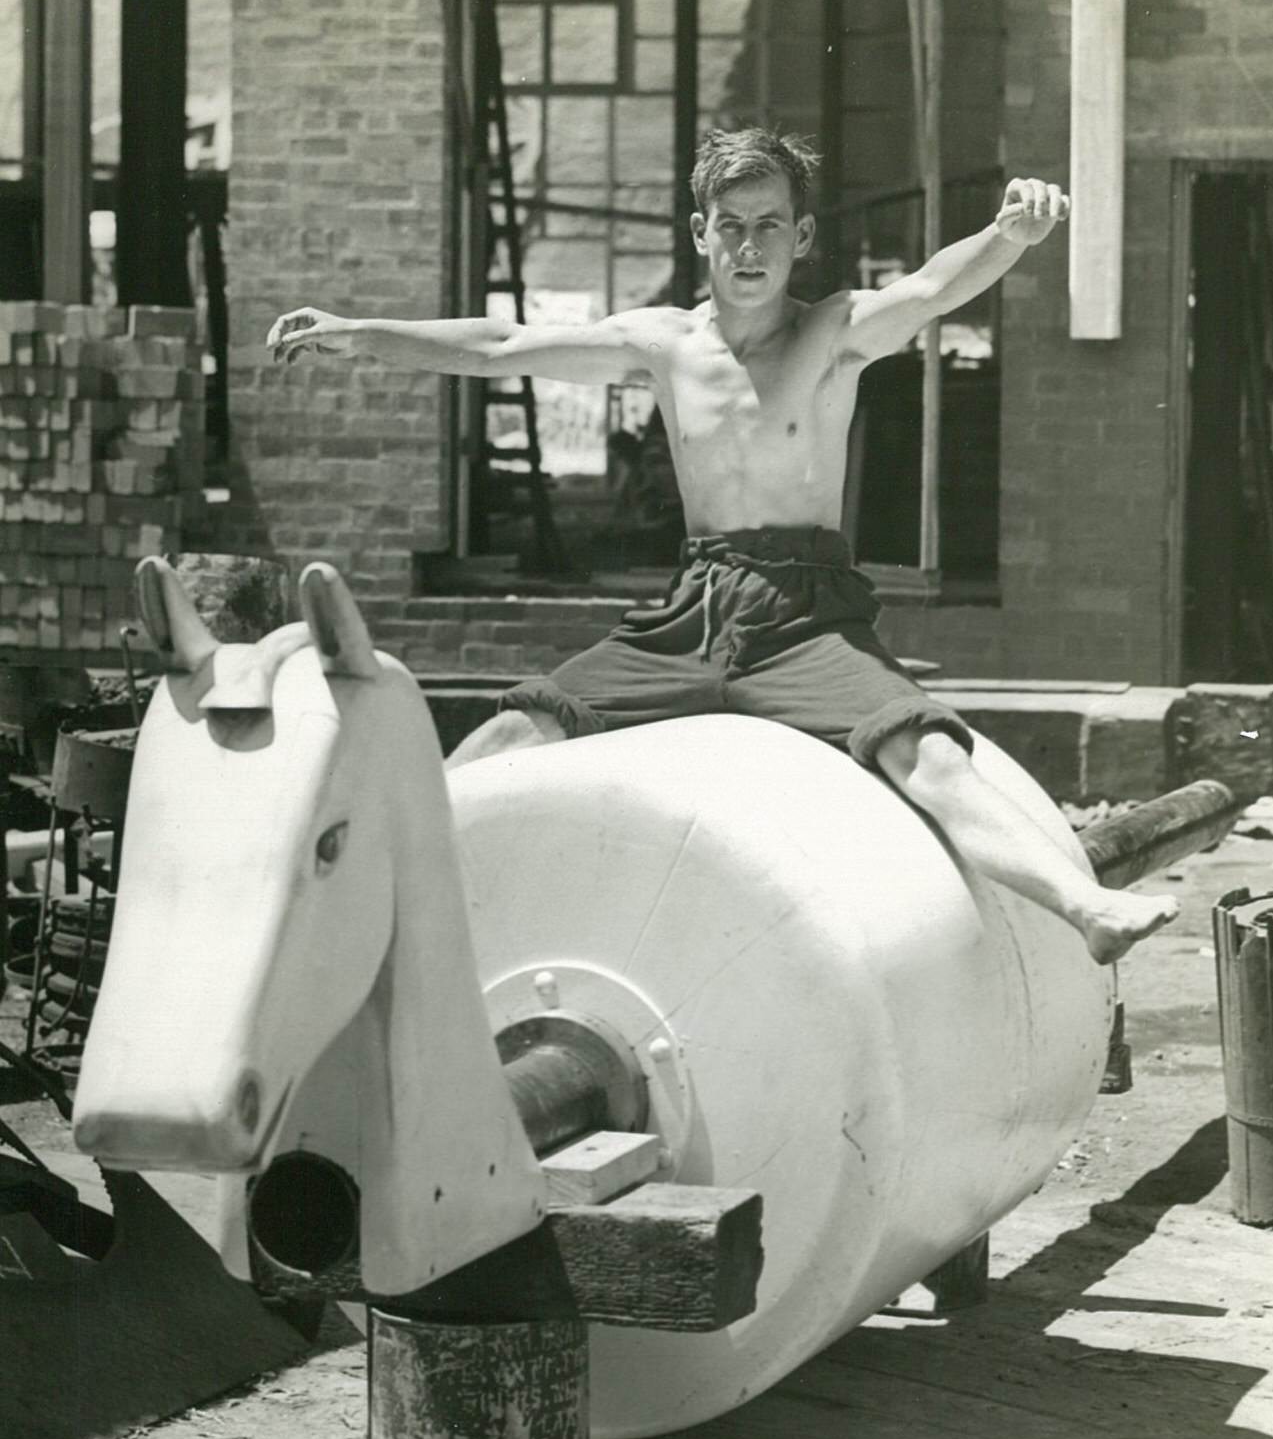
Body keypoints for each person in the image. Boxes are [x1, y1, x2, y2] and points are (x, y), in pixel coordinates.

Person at [267, 127, 1177, 964]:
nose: (750, 249)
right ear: (700, 233)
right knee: (515, 726)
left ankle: (1082, 904)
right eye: (731, 227)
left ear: (803, 236)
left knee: (923, 748)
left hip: (808, 620)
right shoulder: (664, 344)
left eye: (770, 227)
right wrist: (360, 336)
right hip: (691, 611)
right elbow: (505, 343)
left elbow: (931, 286)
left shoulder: (835, 332)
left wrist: (1010, 233)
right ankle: (359, 892)